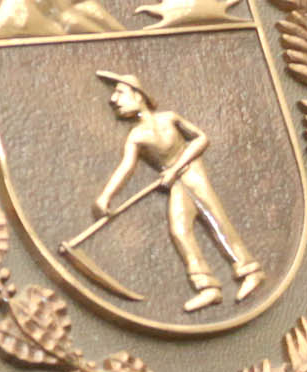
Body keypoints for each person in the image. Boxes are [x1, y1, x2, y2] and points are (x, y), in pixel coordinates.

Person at [92, 70, 263, 313]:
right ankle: (208, 288)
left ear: (138, 95)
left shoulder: (169, 118)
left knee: (215, 219)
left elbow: (201, 139)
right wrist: (105, 196)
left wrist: (176, 168)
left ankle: (250, 272)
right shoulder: (136, 136)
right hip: (176, 181)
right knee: (180, 230)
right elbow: (126, 167)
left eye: (120, 93)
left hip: (192, 173)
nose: (113, 100)